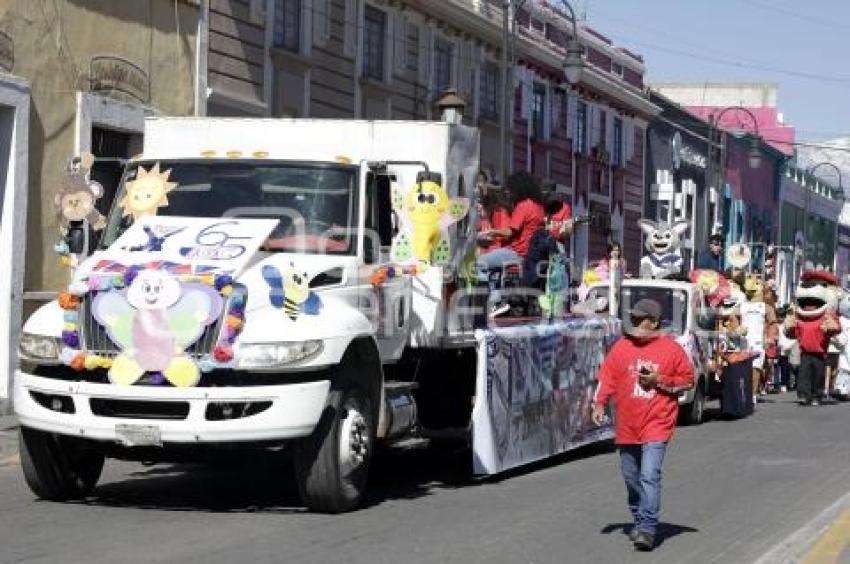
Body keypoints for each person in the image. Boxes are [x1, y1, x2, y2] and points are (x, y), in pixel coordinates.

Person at [592, 298, 695, 552]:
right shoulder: (622, 347)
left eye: (641, 319)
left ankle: (648, 529)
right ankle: (639, 518)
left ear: (655, 322)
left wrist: (659, 379)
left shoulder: (671, 349)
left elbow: (688, 381)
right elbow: (607, 377)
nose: (635, 323)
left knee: (649, 475)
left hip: (657, 424)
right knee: (631, 477)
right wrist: (599, 403)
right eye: (634, 318)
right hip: (628, 424)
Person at [476, 171, 545, 316]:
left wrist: (491, 232)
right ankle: (496, 300)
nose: (510, 193)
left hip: (517, 252)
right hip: (529, 253)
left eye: (511, 190)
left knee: (480, 263)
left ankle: (496, 300)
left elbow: (510, 231)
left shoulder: (523, 206)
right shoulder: (538, 207)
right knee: (493, 267)